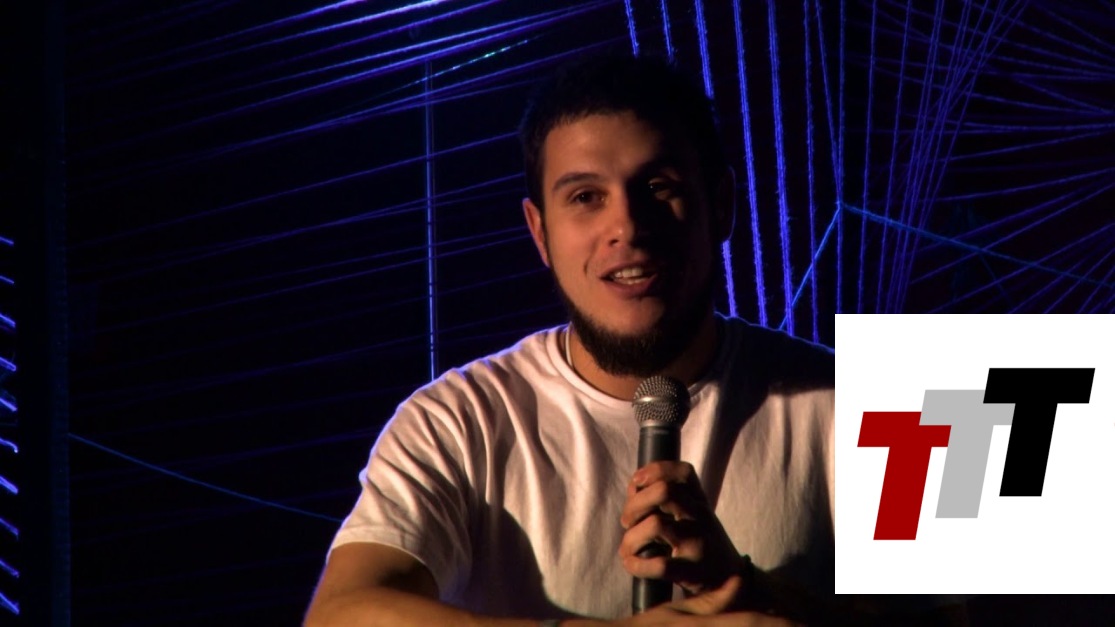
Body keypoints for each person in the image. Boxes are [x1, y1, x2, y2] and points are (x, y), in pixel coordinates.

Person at [305, 53, 845, 627]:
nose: (627, 227)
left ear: (722, 205)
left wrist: (747, 588)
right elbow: (337, 615)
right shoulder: (455, 419)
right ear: (540, 232)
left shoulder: (890, 392)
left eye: (658, 186)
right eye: (586, 197)